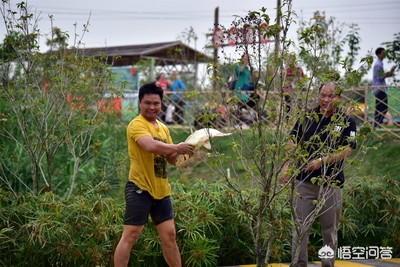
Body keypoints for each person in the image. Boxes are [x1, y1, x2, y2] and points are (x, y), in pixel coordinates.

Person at [114, 83, 194, 267]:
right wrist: (176, 147)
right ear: (140, 103)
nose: (152, 107)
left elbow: (172, 159)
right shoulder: (136, 125)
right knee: (131, 235)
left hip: (161, 190)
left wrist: (188, 151)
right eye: (147, 103)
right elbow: (150, 146)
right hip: (139, 188)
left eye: (156, 103)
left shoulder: (163, 128)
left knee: (170, 235)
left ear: (161, 104)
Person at [284, 82, 357, 267]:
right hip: (304, 183)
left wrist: (322, 161)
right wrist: (288, 163)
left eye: (330, 96)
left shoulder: (347, 120)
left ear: (338, 97)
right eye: (322, 95)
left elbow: (348, 149)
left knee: (329, 230)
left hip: (331, 184)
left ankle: (328, 264)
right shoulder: (307, 116)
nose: (325, 99)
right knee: (300, 228)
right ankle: (298, 264)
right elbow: (292, 139)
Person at [372, 47, 396, 127]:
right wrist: (391, 72)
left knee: (380, 107)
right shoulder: (378, 65)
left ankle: (376, 124)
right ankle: (376, 124)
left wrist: (390, 73)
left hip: (379, 89)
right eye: (383, 53)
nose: (384, 54)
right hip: (379, 89)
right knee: (383, 107)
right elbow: (381, 77)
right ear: (379, 54)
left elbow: (382, 76)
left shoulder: (380, 64)